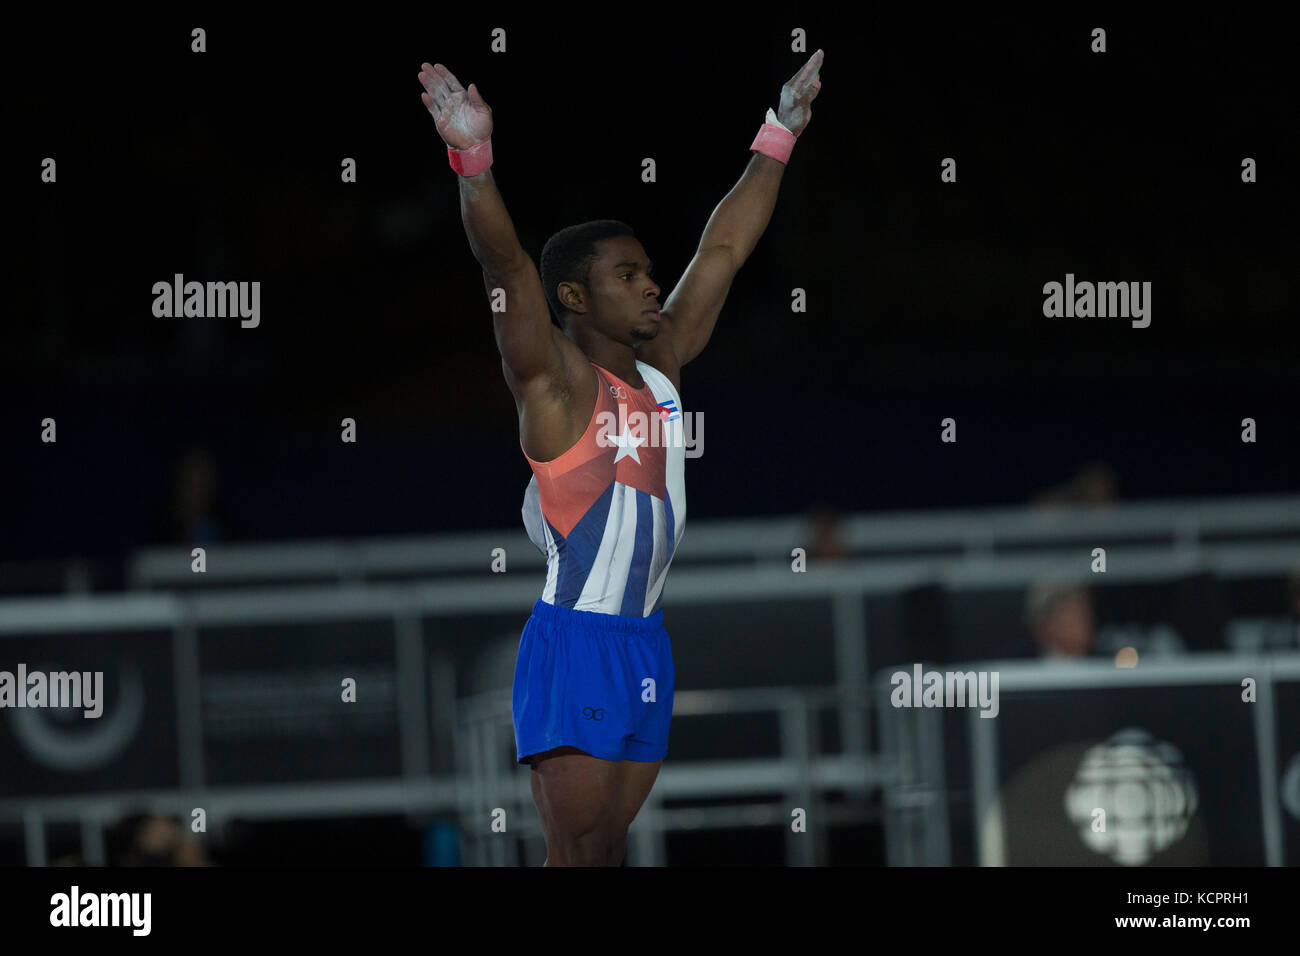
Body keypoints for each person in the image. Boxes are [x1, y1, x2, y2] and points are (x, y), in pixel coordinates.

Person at [418, 51, 823, 865]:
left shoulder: (662, 363)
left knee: (609, 853)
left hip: (645, 641)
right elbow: (504, 265)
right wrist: (474, 162)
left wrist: (778, 131)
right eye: (628, 274)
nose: (651, 285)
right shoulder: (554, 385)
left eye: (647, 271)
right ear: (572, 297)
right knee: (583, 852)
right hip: (577, 643)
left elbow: (723, 253)